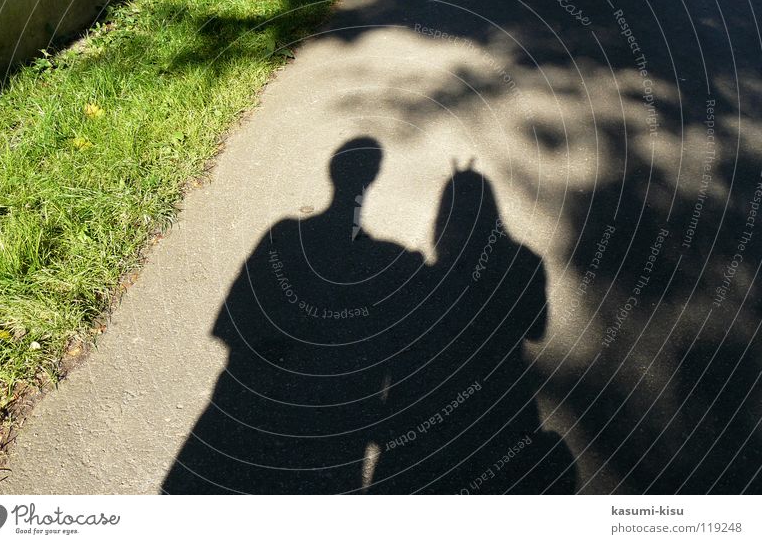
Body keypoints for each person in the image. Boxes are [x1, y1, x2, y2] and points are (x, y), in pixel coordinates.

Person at [161, 137, 425, 494]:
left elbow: (229, 329)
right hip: (341, 426)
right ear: (374, 177)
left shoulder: (282, 233)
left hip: (233, 410)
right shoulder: (399, 259)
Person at [373, 164, 576, 493]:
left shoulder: (421, 280)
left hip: (426, 433)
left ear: (443, 218)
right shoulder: (524, 262)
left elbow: (394, 352)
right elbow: (536, 330)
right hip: (505, 415)